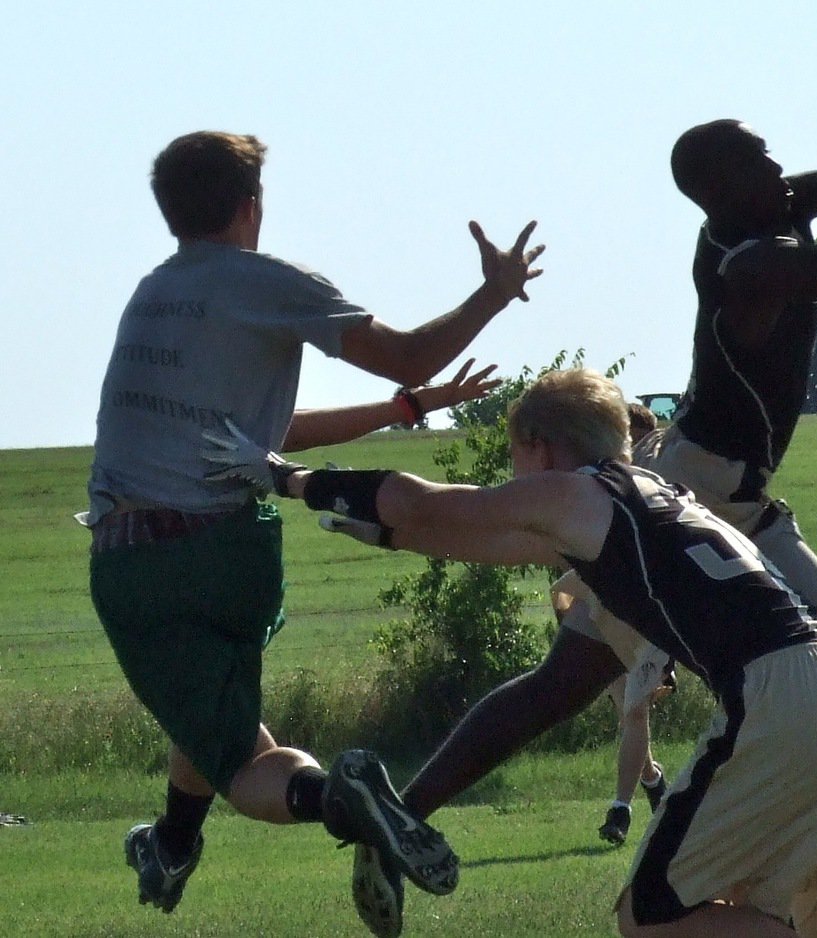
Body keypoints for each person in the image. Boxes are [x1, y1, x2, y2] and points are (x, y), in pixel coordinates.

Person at [364, 82, 817, 832]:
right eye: (759, 157)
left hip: (738, 497)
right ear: (719, 189)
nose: (779, 164)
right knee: (566, 681)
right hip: (688, 491)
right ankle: (401, 811)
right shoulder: (746, 267)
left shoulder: (770, 209)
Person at [204, 367, 817, 938]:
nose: (517, 476)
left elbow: (424, 503)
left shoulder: (575, 492)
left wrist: (284, 477)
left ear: (541, 445)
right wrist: (386, 532)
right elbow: (470, 535)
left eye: (518, 457)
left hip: (782, 691)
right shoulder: (652, 491)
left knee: (654, 914)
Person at [83, 130, 544, 937]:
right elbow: (385, 369)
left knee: (248, 764)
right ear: (251, 206)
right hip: (233, 549)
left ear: (170, 211)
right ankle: (173, 844)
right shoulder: (267, 282)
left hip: (138, 559)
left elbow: (396, 366)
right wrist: (492, 299)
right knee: (213, 714)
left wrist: (417, 388)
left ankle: (339, 798)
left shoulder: (152, 295)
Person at [594, 401, 671, 845]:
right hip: (609, 619)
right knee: (629, 712)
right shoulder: (603, 489)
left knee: (635, 708)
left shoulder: (657, 491)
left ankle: (619, 812)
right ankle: (655, 784)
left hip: (649, 620)